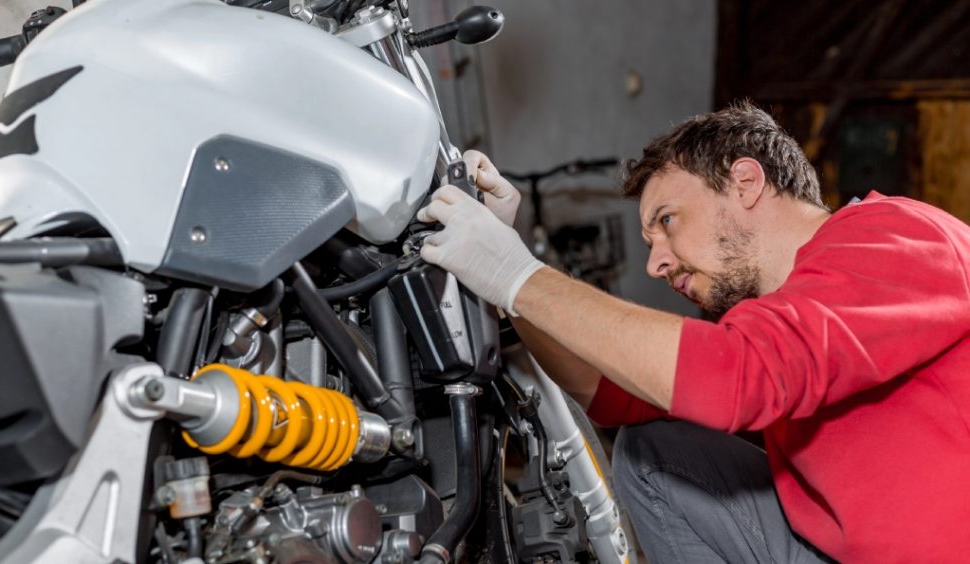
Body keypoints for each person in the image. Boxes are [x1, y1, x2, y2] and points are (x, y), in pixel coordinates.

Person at [416, 102, 970, 563]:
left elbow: (737, 376)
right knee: (652, 450)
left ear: (746, 182)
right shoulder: (785, 314)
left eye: (667, 221)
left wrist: (520, 275)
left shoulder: (895, 237)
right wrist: (509, 275)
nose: (656, 262)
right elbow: (609, 394)